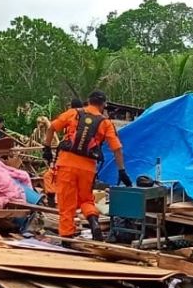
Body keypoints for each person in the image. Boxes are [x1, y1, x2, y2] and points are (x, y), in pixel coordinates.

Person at [43, 90, 131, 240]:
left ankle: (67, 238)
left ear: (88, 101)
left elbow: (51, 127)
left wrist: (46, 149)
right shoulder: (105, 123)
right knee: (86, 199)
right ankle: (93, 221)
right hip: (88, 168)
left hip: (66, 164)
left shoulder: (73, 113)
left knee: (67, 203)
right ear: (103, 105)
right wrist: (122, 171)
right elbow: (117, 148)